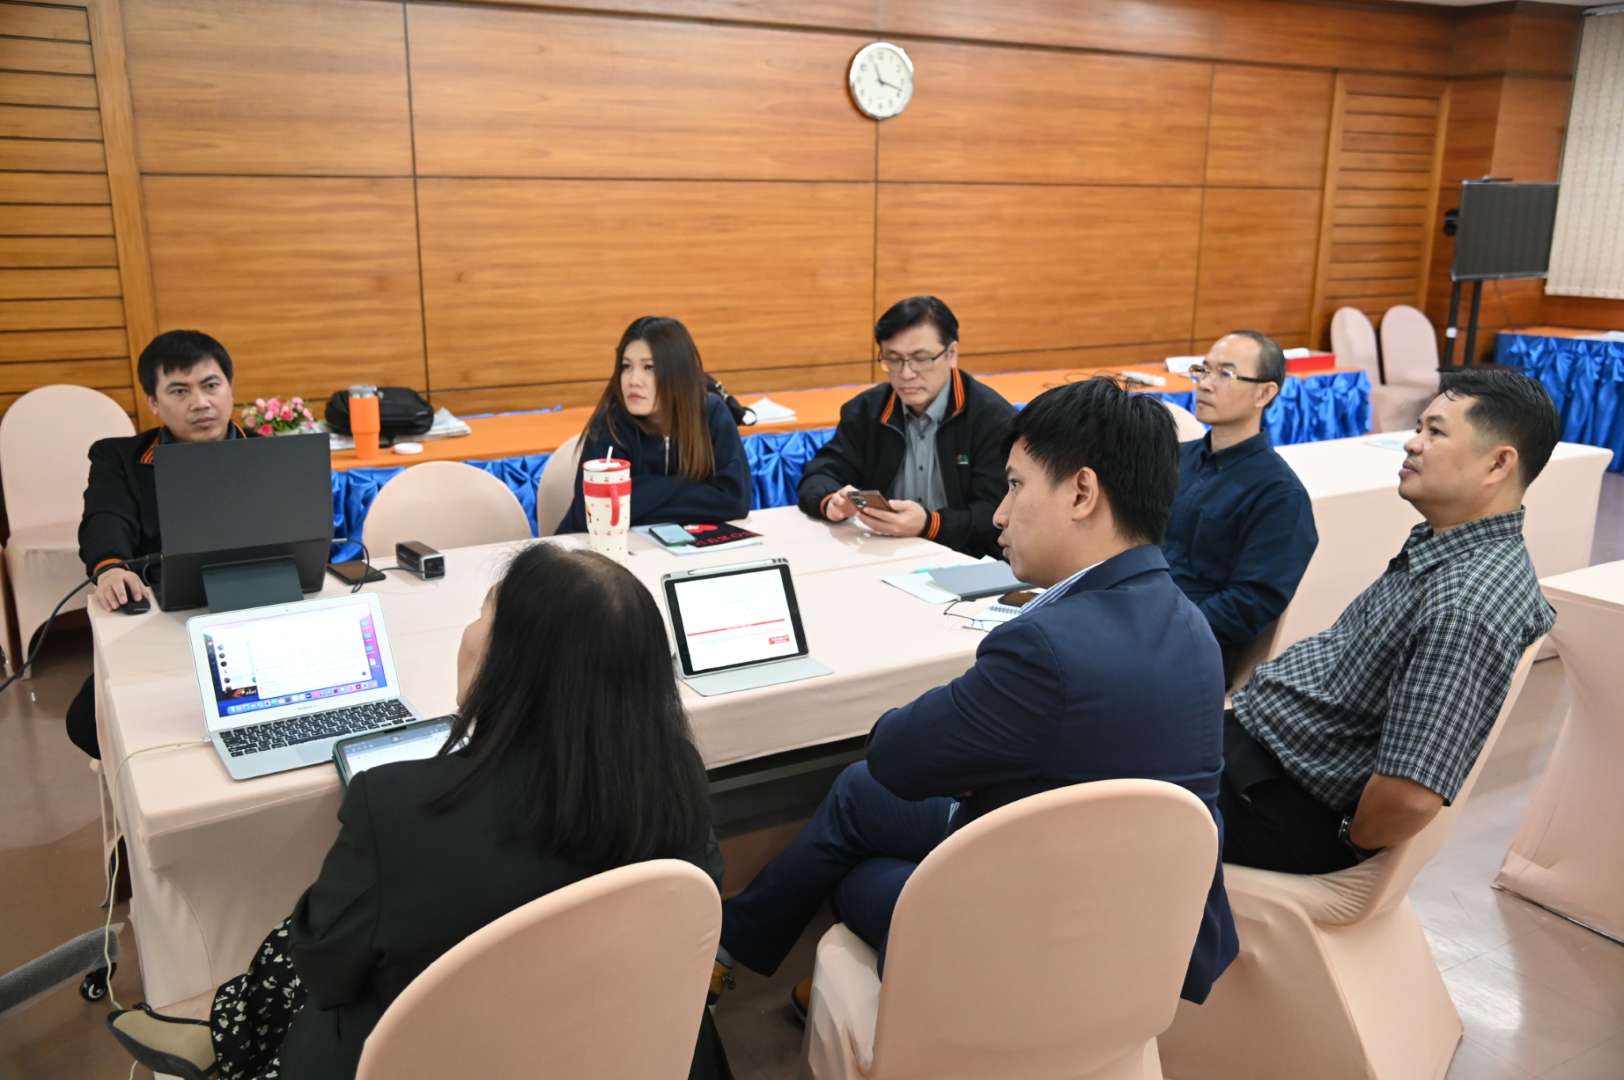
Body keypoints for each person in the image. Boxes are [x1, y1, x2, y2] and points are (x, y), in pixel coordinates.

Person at [106, 545, 731, 1080]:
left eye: (484, 614)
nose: (470, 632)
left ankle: (226, 1032)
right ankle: (222, 1027)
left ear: (513, 664)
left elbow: (323, 973)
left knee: (314, 937)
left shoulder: (399, 807)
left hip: (434, 1058)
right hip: (618, 1046)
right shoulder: (674, 779)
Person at [715, 377, 1237, 1016]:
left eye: (1015, 486)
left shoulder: (1045, 647)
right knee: (858, 792)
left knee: (858, 875)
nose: (999, 514)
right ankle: (749, 952)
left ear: (1081, 493)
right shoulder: (1190, 624)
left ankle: (834, 990)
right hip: (1144, 929)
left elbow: (897, 757)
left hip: (1025, 930)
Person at [1222, 368, 1560, 875]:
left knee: (1107, 774)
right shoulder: (1445, 546)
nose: (1412, 443)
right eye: (1419, 427)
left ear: (1498, 463)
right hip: (1258, 753)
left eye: (1435, 432)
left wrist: (1346, 843)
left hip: (1275, 799)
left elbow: (1409, 797)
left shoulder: (1465, 602)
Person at [67, 329, 248, 758]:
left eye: (211, 385)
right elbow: (105, 517)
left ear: (229, 387)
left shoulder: (267, 453)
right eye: (179, 391)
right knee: (90, 722)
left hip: (249, 613)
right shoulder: (120, 458)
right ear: (153, 401)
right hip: (161, 616)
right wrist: (110, 565)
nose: (200, 403)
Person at [796, 296, 1015, 558]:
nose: (906, 373)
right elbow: (819, 475)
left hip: (969, 558)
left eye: (921, 358)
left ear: (952, 354)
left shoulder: (993, 418)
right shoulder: (866, 411)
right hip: (882, 554)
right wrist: (832, 501)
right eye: (893, 359)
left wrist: (929, 524)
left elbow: (997, 514)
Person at [1162, 331, 1318, 683]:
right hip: (1133, 618)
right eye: (1203, 370)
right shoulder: (1175, 459)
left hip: (1189, 651)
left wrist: (1162, 628)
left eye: (1225, 374)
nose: (1205, 384)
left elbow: (1249, 604)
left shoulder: (1280, 494)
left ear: (1265, 393)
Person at [559, 316, 751, 533]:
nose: (633, 380)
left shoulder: (711, 413)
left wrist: (639, 492)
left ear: (678, 373)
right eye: (626, 366)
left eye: (649, 367)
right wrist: (692, 489)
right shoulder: (609, 423)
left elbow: (734, 501)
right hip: (592, 548)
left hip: (672, 549)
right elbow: (597, 511)